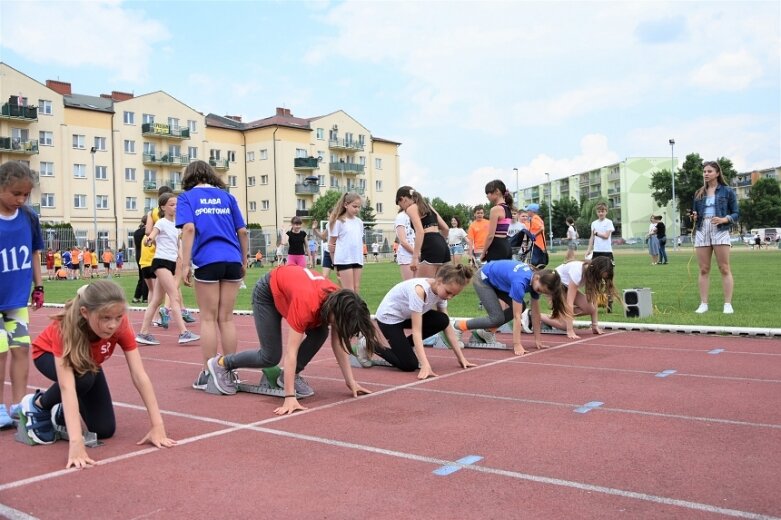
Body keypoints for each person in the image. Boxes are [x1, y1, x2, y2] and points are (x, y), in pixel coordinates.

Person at [21, 281, 176, 468]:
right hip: (47, 354)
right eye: (105, 318)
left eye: (118, 317)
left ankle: (62, 410)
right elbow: (67, 386)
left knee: (104, 429)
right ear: (85, 313)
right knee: (82, 378)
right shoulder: (66, 328)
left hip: (87, 364)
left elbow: (139, 375)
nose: (112, 325)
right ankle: (38, 405)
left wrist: (157, 426)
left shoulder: (120, 324)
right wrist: (76, 444)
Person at [205, 265, 379, 415]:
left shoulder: (340, 302)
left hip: (292, 288)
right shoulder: (307, 304)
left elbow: (338, 344)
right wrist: (289, 397)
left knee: (320, 333)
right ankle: (221, 363)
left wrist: (351, 382)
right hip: (267, 293)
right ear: (336, 312)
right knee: (270, 356)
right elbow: (291, 352)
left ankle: (287, 376)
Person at [176, 159, 248, 390]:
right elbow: (243, 231)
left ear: (189, 177)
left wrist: (185, 265)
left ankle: (209, 372)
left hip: (207, 259)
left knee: (208, 318)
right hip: (232, 259)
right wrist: (244, 259)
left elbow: (188, 229)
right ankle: (231, 371)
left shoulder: (186, 198)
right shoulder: (227, 197)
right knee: (226, 318)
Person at [365, 264, 476, 379]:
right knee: (409, 365)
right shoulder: (419, 291)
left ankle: (403, 347)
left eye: (454, 295)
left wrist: (461, 358)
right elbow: (416, 331)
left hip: (406, 315)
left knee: (442, 320)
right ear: (439, 281)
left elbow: (447, 326)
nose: (450, 297)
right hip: (389, 318)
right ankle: (371, 344)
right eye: (448, 292)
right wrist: (425, 365)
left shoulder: (441, 292)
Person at [0, 161, 44, 429]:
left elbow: (35, 252)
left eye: (26, 194)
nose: (21, 199)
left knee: (20, 348)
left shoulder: (29, 217)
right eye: (15, 193)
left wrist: (38, 286)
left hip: (16, 298)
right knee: (0, 351)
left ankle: (18, 405)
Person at [453, 260, 569, 356]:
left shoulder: (535, 282)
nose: (538, 292)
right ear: (537, 278)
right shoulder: (520, 282)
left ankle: (487, 332)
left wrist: (538, 340)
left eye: (542, 292)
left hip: (496, 280)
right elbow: (517, 317)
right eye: (539, 290)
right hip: (483, 279)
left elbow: (535, 314)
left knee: (522, 306)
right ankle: (458, 327)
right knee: (496, 318)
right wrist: (517, 344)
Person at [135, 193, 200, 345]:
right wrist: (149, 240)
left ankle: (143, 333)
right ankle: (184, 332)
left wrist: (184, 265)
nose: (175, 207)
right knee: (174, 296)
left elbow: (178, 247)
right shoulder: (161, 223)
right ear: (163, 207)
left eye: (177, 204)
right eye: (171, 204)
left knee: (157, 300)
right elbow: (151, 235)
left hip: (171, 264)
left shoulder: (177, 225)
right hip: (161, 262)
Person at [690, 161, 739, 314]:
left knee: (724, 268)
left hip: (720, 228)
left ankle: (727, 304)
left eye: (709, 171)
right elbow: (695, 214)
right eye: (704, 171)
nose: (706, 174)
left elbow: (736, 213)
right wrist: (694, 216)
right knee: (704, 269)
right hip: (702, 229)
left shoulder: (727, 191)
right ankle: (704, 304)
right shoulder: (699, 193)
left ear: (717, 173)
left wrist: (725, 219)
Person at [538, 256, 620, 338]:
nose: (600, 279)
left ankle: (556, 316)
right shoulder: (577, 272)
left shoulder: (590, 273)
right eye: (600, 276)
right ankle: (533, 315)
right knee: (565, 326)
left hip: (565, 288)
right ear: (596, 270)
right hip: (555, 287)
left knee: (590, 308)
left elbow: (593, 299)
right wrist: (570, 331)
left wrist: (595, 325)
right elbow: (570, 302)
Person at [398, 186, 450, 278]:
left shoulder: (411, 208)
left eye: (400, 205)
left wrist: (414, 257)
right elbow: (445, 228)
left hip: (430, 244)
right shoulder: (428, 206)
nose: (403, 209)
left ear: (403, 199)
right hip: (442, 244)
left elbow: (420, 232)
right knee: (440, 286)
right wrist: (440, 243)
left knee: (422, 285)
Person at [328, 192, 365, 292]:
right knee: (349, 290)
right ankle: (346, 308)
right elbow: (331, 245)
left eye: (359, 207)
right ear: (346, 205)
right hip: (343, 260)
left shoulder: (359, 222)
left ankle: (356, 308)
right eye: (354, 206)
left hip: (357, 258)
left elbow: (358, 241)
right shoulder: (339, 222)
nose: (357, 209)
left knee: (356, 288)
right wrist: (334, 264)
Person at [584, 202, 615, 311]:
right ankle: (595, 302)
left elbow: (606, 236)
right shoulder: (594, 223)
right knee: (594, 278)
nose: (601, 213)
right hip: (596, 252)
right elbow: (592, 237)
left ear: (606, 212)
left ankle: (609, 302)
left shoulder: (609, 222)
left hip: (606, 253)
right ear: (597, 212)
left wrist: (597, 234)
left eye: (603, 211)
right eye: (599, 211)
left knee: (608, 279)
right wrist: (589, 250)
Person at [481, 180, 514, 263]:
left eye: (488, 193)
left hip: (497, 247)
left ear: (497, 191)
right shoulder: (508, 208)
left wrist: (483, 252)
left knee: (493, 274)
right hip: (506, 246)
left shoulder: (495, 209)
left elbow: (490, 236)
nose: (487, 196)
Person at [393, 192, 416, 280]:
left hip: (415, 253)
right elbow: (403, 241)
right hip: (406, 255)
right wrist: (416, 253)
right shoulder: (401, 217)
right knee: (409, 285)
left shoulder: (413, 216)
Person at [132, 215, 151, 304]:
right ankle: (145, 297)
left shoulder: (136, 232)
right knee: (146, 277)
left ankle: (137, 297)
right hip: (145, 254)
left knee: (141, 277)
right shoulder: (147, 232)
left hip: (138, 255)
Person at [524, 203, 548, 268]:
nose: (527, 212)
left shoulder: (534, 219)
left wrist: (533, 235)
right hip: (540, 243)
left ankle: (534, 275)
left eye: (528, 210)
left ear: (532, 211)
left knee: (534, 262)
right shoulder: (538, 218)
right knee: (539, 262)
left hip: (536, 243)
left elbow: (541, 228)